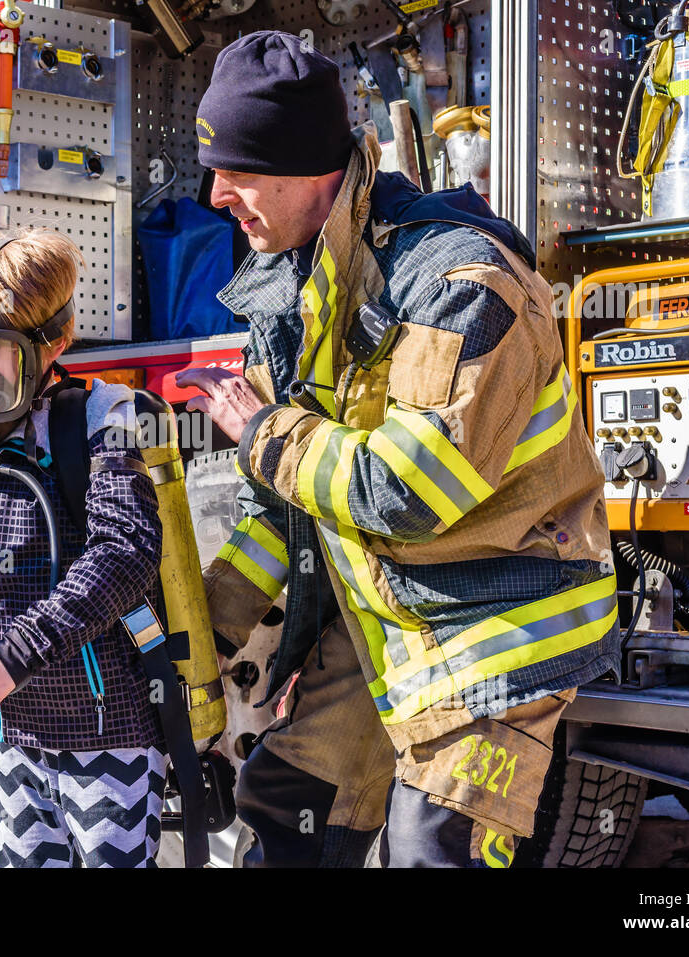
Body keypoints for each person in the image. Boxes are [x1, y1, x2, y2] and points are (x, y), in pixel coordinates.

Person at [178, 31, 619, 868]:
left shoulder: (459, 283)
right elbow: (288, 508)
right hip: (396, 619)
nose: (215, 195)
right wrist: (198, 632)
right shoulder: (296, 284)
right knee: (288, 805)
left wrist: (265, 433)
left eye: (236, 169)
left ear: (307, 166)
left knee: (433, 849)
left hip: (496, 628)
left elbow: (406, 493)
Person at [0, 228, 168, 868]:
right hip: (14, 736)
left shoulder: (101, 421)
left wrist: (16, 654)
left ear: (54, 346)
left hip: (107, 736)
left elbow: (125, 551)